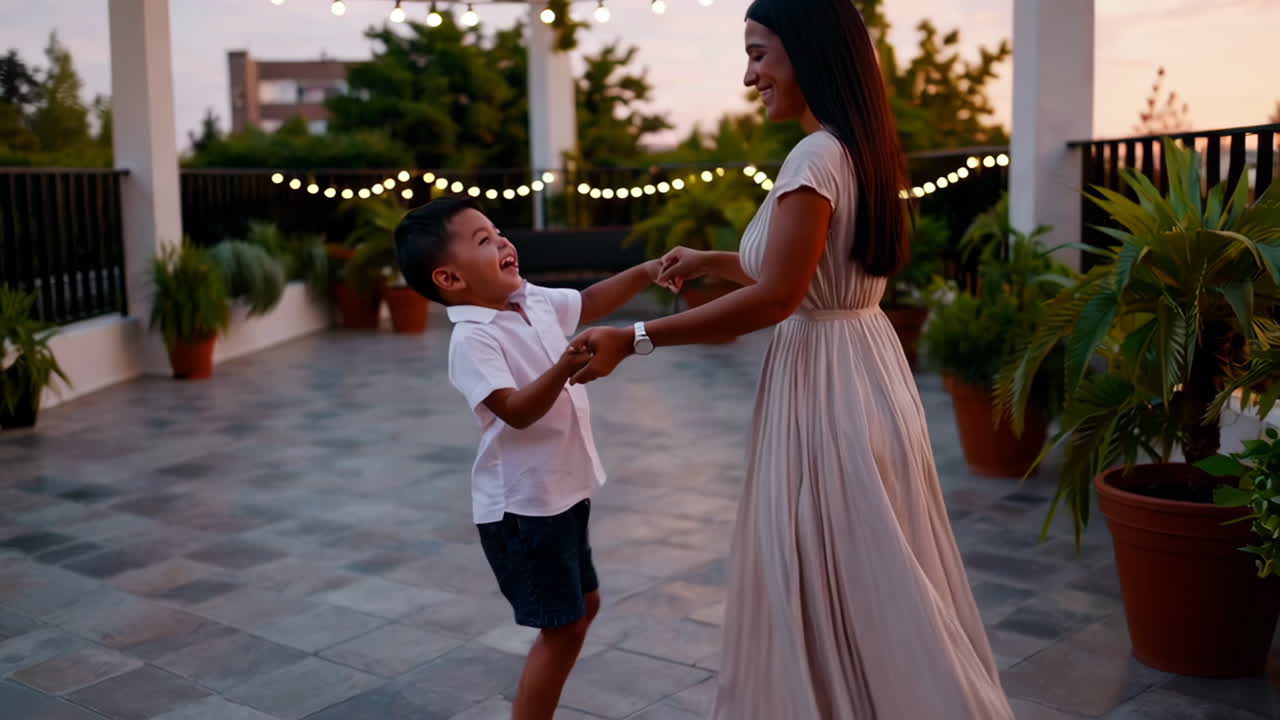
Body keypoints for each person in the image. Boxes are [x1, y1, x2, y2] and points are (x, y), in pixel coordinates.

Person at [567, 0, 1015, 717]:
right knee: (870, 576)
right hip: (867, 369)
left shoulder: (814, 157)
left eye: (759, 54)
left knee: (830, 573)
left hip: (826, 387)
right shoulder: (859, 149)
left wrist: (636, 339)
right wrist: (716, 259)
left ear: (807, 52)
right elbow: (814, 273)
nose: (750, 77)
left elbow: (780, 298)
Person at [393, 197, 665, 720]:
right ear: (449, 279)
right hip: (523, 511)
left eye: (497, 232)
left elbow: (587, 303)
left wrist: (648, 271)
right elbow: (514, 411)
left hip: (562, 494)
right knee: (561, 629)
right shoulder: (472, 340)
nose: (502, 242)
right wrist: (564, 365)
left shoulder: (529, 299)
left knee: (582, 608)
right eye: (483, 240)